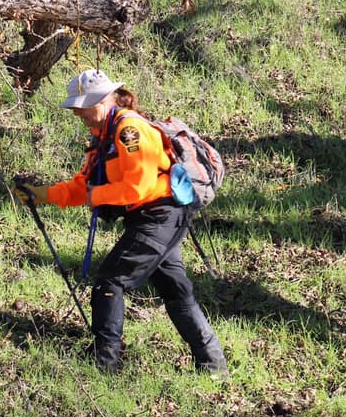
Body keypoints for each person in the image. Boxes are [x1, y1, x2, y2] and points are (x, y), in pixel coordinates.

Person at [12, 68, 227, 376]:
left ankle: (104, 363)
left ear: (102, 101)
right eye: (75, 107)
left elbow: (137, 187)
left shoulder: (129, 131)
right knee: (175, 290)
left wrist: (96, 196)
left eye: (82, 106)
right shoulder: (103, 137)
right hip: (152, 217)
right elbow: (82, 186)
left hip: (161, 214)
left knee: (110, 281)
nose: (77, 113)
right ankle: (213, 365)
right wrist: (42, 194)